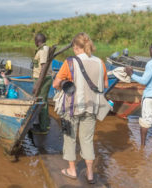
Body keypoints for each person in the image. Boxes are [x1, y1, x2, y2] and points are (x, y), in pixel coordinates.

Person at [53, 33, 108, 184]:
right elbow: (105, 85)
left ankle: (72, 170)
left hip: (72, 108)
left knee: (70, 138)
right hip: (92, 108)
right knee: (87, 140)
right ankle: (90, 174)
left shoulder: (70, 62)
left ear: (76, 47)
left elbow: (55, 84)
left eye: (74, 48)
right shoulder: (100, 62)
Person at [125, 41, 152, 146]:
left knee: (145, 122)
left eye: (150, 50)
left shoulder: (151, 63)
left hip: (150, 96)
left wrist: (131, 74)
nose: (150, 53)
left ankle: (142, 147)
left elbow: (144, 81)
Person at [30, 33, 52, 134]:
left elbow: (43, 68)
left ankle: (43, 128)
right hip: (43, 78)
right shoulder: (44, 49)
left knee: (42, 102)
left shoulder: (43, 51)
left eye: (35, 41)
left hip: (42, 79)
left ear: (37, 41)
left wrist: (37, 84)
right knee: (43, 101)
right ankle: (43, 123)